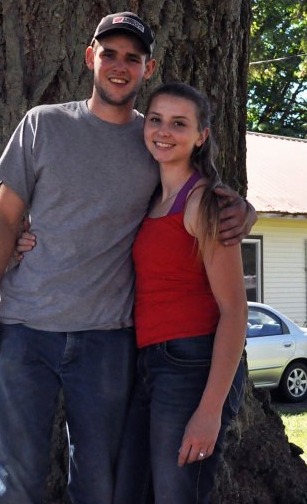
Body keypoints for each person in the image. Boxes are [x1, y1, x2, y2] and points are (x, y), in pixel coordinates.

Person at [0, 12, 254, 504]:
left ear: (148, 67)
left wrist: (242, 208)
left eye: (133, 58)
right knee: (15, 485)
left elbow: (198, 192)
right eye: (110, 53)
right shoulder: (43, 124)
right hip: (26, 329)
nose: (120, 66)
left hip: (108, 340)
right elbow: (4, 217)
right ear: (89, 57)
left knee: (100, 485)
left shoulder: (153, 139)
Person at [112, 82, 248, 504]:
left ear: (201, 135)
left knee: (177, 496)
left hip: (192, 364)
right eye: (155, 119)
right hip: (146, 363)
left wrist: (209, 412)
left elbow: (235, 312)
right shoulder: (150, 197)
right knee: (127, 493)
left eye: (179, 123)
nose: (164, 131)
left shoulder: (203, 202)